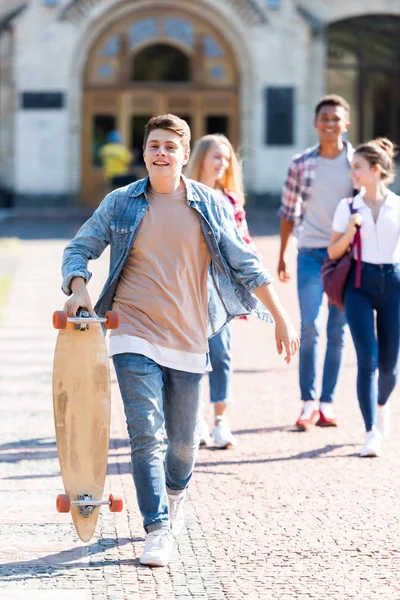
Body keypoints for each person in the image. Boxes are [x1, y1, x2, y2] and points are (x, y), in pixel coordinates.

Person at [61, 114, 299, 568]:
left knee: (183, 443)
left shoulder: (209, 203)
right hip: (131, 329)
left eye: (170, 146)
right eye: (153, 145)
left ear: (185, 155)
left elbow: (246, 263)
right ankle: (156, 527)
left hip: (189, 335)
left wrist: (281, 316)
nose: (161, 153)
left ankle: (176, 496)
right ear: (144, 151)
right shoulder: (121, 203)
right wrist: (78, 287)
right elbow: (80, 248)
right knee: (145, 434)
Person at [278, 95, 354, 431]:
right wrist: (281, 253)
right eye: (324, 118)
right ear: (315, 123)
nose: (330, 124)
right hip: (310, 253)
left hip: (348, 257)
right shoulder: (301, 163)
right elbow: (288, 211)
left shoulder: (358, 164)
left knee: (338, 331)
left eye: (336, 119)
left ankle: (327, 402)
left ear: (346, 124)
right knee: (310, 326)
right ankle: (307, 402)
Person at [185, 134, 258, 449]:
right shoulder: (182, 195)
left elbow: (244, 242)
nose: (222, 164)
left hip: (222, 289)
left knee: (221, 353)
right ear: (200, 158)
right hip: (188, 285)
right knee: (192, 355)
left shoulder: (231, 200)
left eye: (227, 159)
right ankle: (194, 420)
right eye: (217, 157)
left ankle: (220, 422)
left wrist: (253, 281)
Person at [328, 138, 400, 457]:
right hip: (358, 282)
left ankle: (382, 405)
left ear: (375, 170)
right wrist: (349, 229)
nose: (352, 173)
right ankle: (371, 430)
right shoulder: (348, 206)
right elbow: (332, 251)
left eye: (357, 167)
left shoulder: (397, 206)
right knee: (367, 360)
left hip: (393, 283)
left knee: (389, 368)